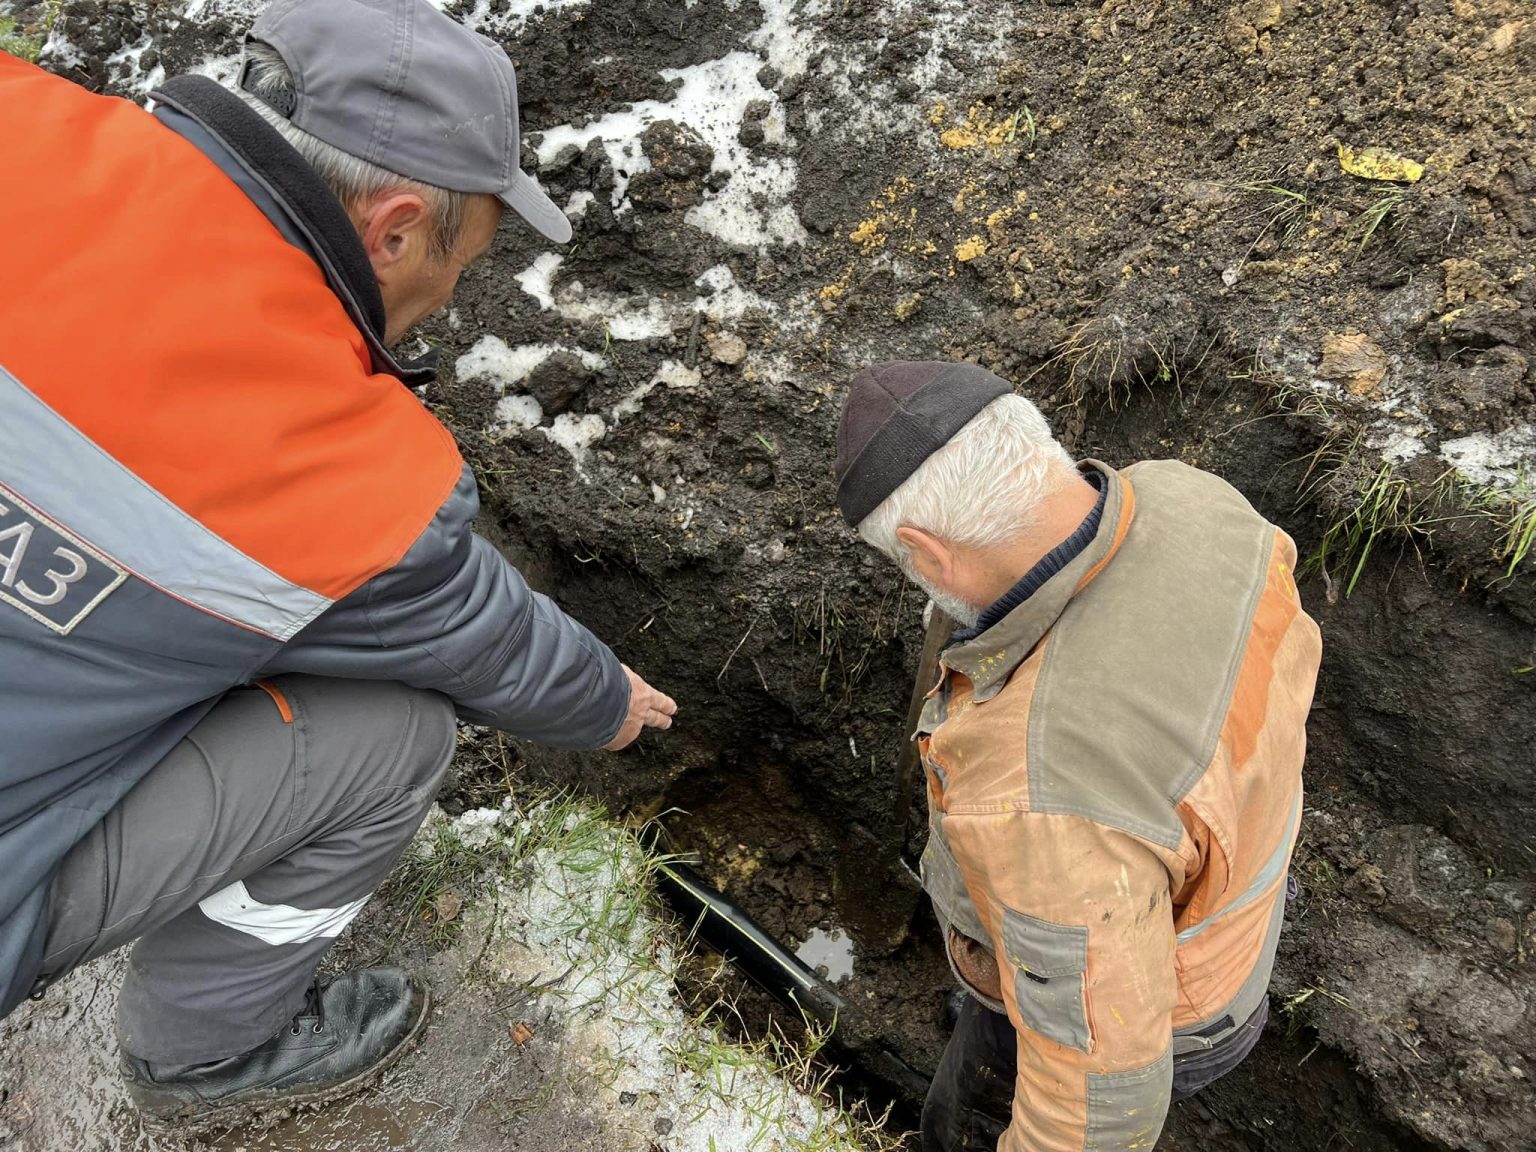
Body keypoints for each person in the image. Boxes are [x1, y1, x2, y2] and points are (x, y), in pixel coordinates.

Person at [0, 0, 676, 1126]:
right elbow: (492, 641)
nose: (451, 296)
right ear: (398, 227)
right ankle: (202, 1058)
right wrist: (608, 704)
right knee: (392, 738)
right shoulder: (344, 473)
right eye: (465, 256)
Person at [834, 361, 1322, 1151]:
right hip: (1228, 891)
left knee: (969, 1121)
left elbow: (1098, 1109)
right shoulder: (1189, 496)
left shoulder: (1036, 787)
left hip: (1165, 1010)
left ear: (927, 552)